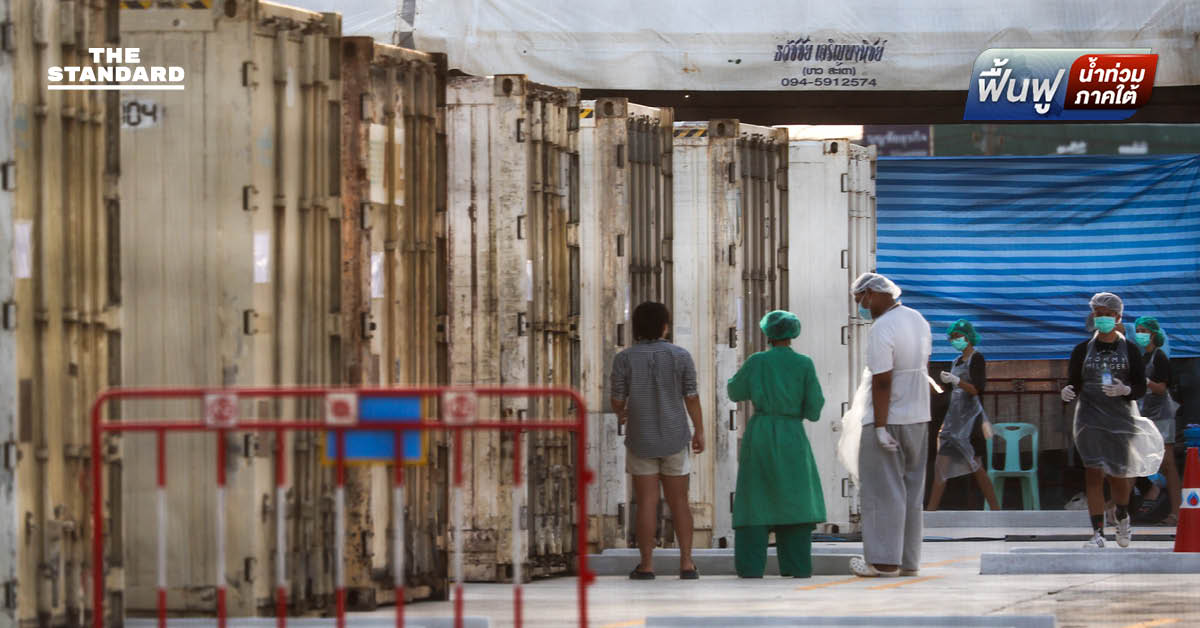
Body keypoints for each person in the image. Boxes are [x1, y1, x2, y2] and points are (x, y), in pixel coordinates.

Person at [726, 310, 826, 578]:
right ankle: (797, 566)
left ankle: (750, 567)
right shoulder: (804, 364)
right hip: (792, 433)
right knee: (794, 498)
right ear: (793, 334)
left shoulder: (757, 361)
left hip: (760, 434)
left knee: (755, 497)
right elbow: (815, 408)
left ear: (767, 333)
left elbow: (734, 391)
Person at [610, 301, 705, 580]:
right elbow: (691, 396)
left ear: (636, 328)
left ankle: (647, 565)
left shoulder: (624, 359)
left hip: (641, 438)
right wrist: (698, 430)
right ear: (665, 326)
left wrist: (622, 411)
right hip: (675, 436)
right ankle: (686, 564)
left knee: (647, 503)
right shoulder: (681, 356)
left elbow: (617, 399)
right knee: (679, 502)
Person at [1060, 292, 1163, 549]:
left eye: (1108, 314)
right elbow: (1074, 381)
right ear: (1092, 316)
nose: (1103, 318)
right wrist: (1067, 392)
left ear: (1118, 317)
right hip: (1089, 418)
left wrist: (1126, 391)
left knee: (1118, 476)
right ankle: (1097, 533)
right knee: (1093, 474)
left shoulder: (1130, 349)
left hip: (1120, 420)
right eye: (1098, 314)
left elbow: (1140, 386)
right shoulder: (1082, 350)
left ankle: (1122, 515)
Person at [847, 273, 932, 578]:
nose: (862, 307)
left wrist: (880, 427)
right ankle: (908, 560)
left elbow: (883, 380)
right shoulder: (918, 319)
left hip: (889, 417)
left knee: (882, 491)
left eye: (861, 300)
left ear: (872, 293)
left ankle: (883, 562)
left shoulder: (883, 327)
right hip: (919, 417)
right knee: (911, 492)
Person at [926, 319, 1000, 511]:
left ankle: (996, 509)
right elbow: (954, 393)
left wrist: (957, 380)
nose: (954, 340)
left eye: (958, 336)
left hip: (971, 424)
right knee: (940, 468)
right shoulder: (955, 362)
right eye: (952, 337)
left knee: (976, 467)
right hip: (952, 423)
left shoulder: (977, 359)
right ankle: (931, 512)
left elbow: (976, 389)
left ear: (968, 337)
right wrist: (941, 387)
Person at [1133, 316, 1181, 525]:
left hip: (1161, 415)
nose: (1140, 334)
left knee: (1168, 463)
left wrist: (1144, 381)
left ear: (1153, 333)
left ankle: (1178, 512)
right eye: (1138, 330)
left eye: (1144, 330)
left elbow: (1161, 388)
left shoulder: (1159, 357)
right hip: (1147, 414)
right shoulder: (1144, 358)